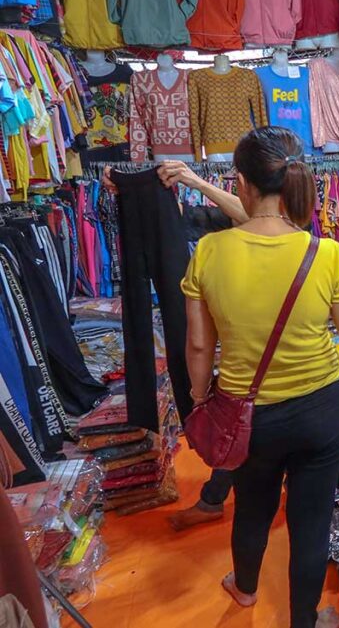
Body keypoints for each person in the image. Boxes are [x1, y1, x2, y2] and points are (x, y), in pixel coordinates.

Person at [180, 126, 339, 627]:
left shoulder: (210, 251)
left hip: (248, 415)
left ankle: (244, 588)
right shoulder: (327, 254)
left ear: (241, 183)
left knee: (252, 506)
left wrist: (198, 395)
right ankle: (303, 620)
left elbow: (199, 345)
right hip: (321, 410)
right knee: (310, 521)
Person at [102, 162, 247, 532]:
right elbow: (201, 218)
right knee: (243, 422)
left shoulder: (280, 218)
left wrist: (195, 181)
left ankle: (219, 499)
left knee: (246, 422)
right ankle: (217, 497)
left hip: (258, 351)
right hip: (251, 349)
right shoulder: (234, 220)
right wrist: (143, 195)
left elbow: (248, 213)